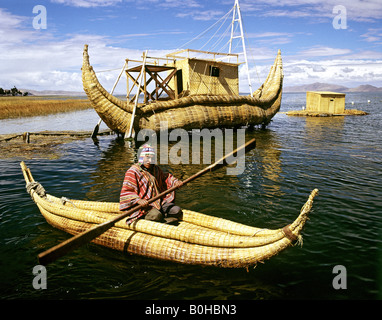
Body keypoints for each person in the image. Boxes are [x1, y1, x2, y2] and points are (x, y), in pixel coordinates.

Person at [120, 143, 184, 224]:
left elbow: (166, 178)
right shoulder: (133, 171)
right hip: (143, 207)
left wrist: (175, 182)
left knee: (177, 211)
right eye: (147, 157)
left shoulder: (156, 169)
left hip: (158, 202)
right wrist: (138, 200)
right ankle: (153, 218)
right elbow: (127, 191)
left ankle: (162, 217)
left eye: (151, 158)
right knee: (156, 216)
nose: (149, 161)